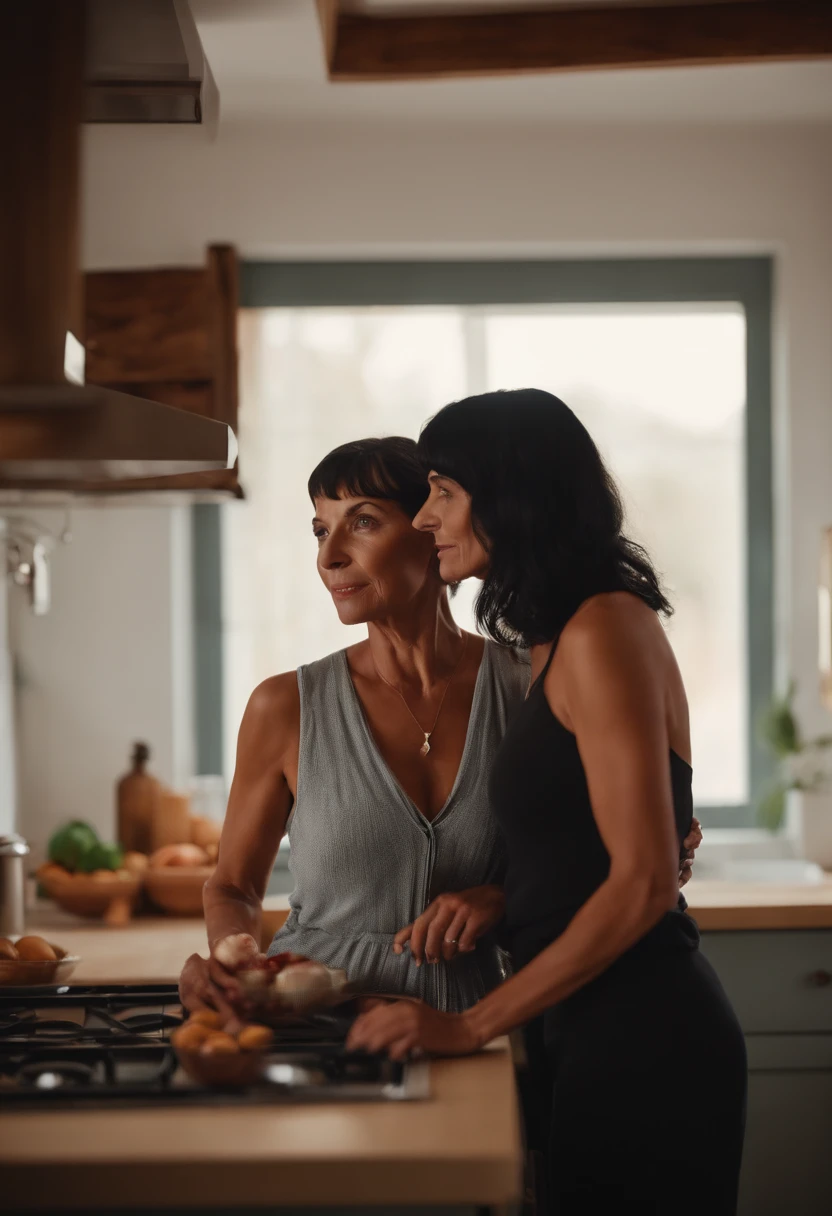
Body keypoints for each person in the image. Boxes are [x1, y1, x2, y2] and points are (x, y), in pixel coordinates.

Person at [347, 391, 747, 1215]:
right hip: (583, 1025)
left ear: (511, 495)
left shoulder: (603, 627)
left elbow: (641, 884)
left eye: (443, 493)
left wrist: (466, 1026)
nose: (424, 519)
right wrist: (505, 896)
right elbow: (596, 844)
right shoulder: (557, 635)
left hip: (643, 1037)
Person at [179, 435, 701, 1026]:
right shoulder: (285, 707)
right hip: (317, 1024)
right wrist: (233, 954)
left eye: (364, 522)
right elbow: (233, 887)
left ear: (434, 527)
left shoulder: (537, 687)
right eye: (322, 530)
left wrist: (502, 901)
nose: (330, 557)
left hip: (488, 1025)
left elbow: (608, 855)